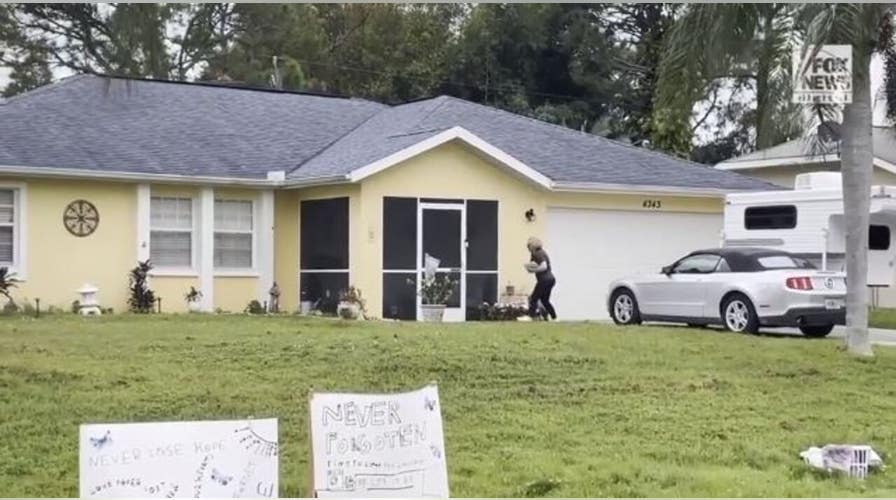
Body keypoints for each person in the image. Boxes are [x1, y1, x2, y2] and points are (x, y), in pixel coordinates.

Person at [524, 236, 557, 320]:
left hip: (544, 280)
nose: (527, 248)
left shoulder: (538, 253)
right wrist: (530, 267)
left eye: (528, 246)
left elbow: (544, 266)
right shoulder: (540, 252)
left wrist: (533, 270)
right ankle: (554, 317)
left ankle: (531, 317)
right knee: (545, 300)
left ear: (533, 246)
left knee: (533, 298)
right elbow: (533, 263)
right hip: (551, 279)